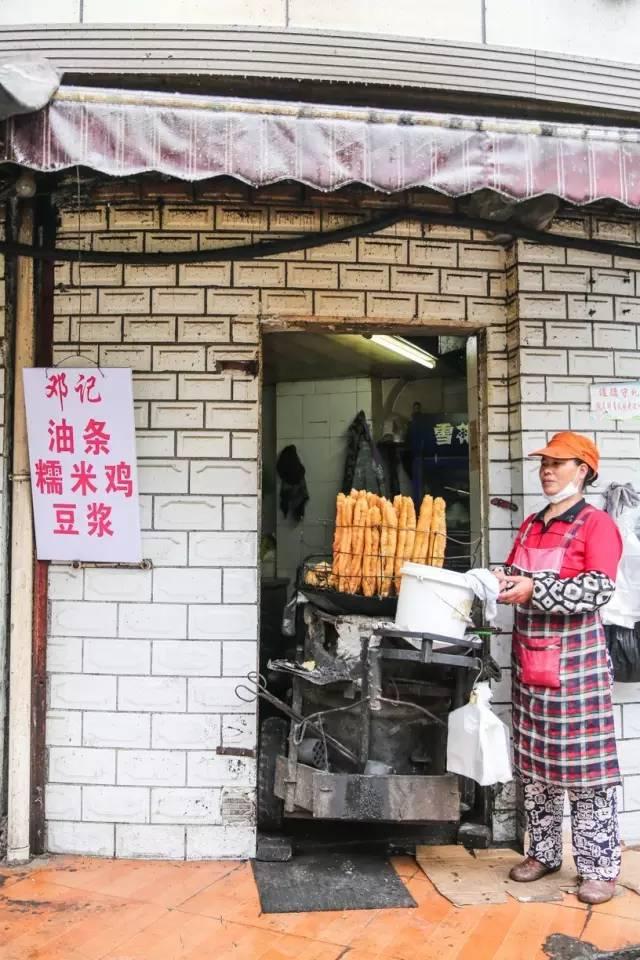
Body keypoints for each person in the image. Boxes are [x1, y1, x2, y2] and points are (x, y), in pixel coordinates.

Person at [495, 431, 623, 905]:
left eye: (558, 463)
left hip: (576, 667)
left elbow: (597, 590)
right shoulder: (530, 525)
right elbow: (513, 574)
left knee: (586, 771)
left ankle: (599, 868)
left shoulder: (596, 525)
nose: (547, 470)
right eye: (544, 462)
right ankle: (544, 852)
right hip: (531, 660)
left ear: (584, 470)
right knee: (534, 768)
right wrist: (493, 581)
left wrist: (534, 590)